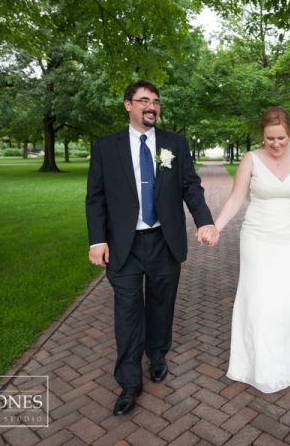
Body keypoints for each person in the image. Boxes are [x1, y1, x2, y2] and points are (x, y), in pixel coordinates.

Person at [85, 80, 218, 416]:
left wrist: (204, 220)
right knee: (127, 313)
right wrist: (97, 239)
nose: (152, 107)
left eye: (156, 101)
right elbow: (96, 197)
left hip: (164, 240)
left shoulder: (175, 143)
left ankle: (157, 355)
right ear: (127, 104)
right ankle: (129, 382)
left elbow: (191, 185)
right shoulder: (106, 147)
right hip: (123, 246)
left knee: (161, 305)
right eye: (144, 100)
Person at [211, 106, 290, 393]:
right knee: (259, 299)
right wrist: (216, 227)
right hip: (257, 237)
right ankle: (260, 364)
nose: (276, 144)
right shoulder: (250, 160)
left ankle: (279, 347)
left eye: (281, 138)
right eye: (270, 139)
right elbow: (234, 200)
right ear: (262, 136)